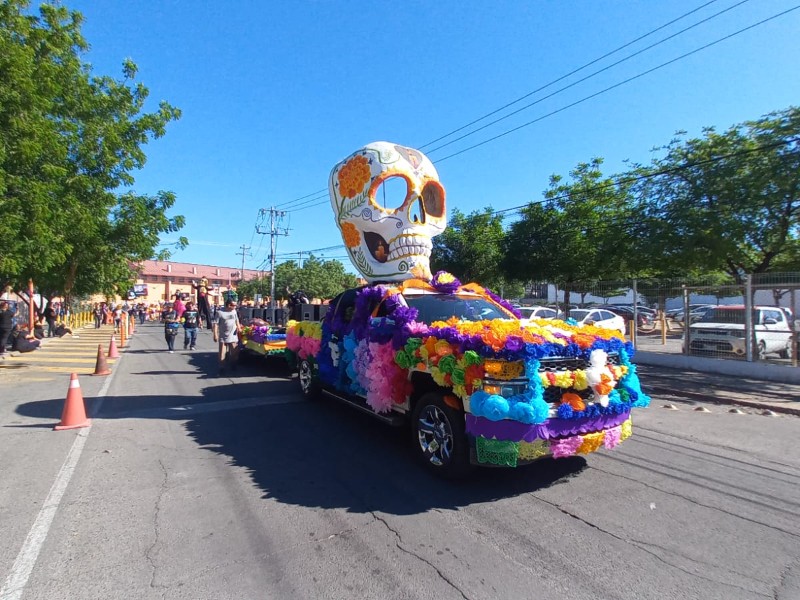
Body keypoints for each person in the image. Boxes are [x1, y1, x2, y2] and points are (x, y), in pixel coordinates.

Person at [213, 298, 241, 375]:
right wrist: (215, 334)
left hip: (233, 335)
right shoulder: (220, 312)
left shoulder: (234, 311)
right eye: (234, 305)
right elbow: (215, 324)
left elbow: (236, 320)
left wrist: (238, 327)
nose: (235, 307)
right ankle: (221, 367)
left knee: (235, 352)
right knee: (222, 352)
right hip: (223, 335)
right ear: (229, 305)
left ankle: (233, 363)